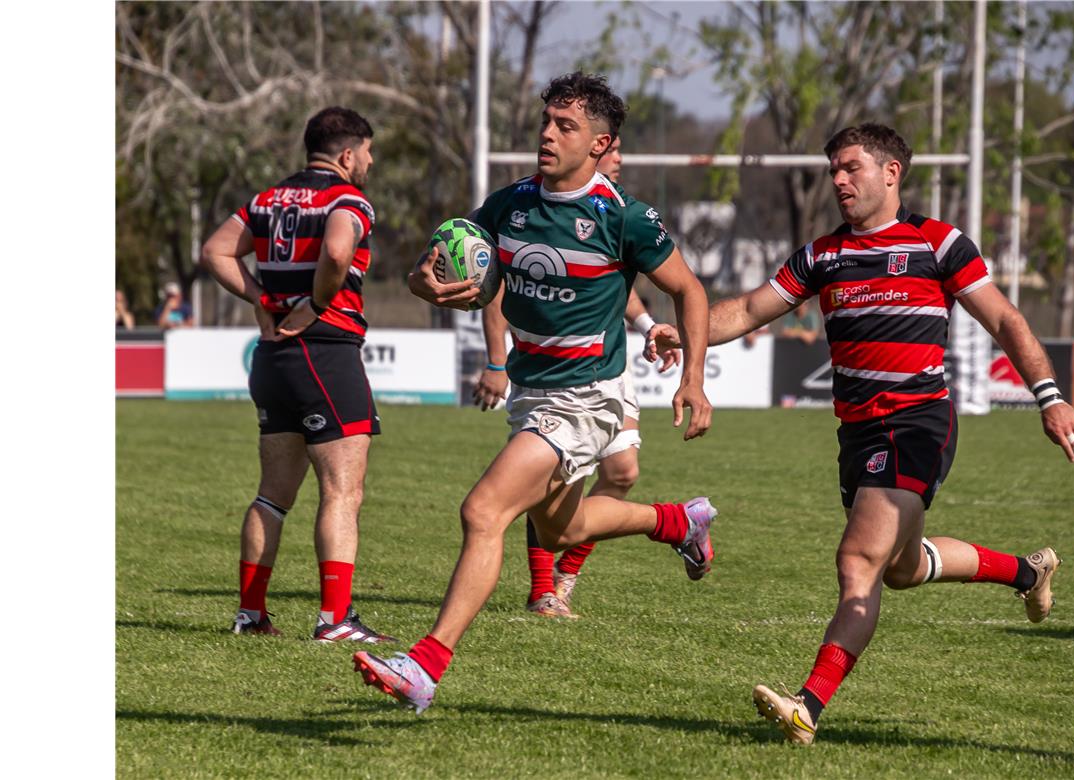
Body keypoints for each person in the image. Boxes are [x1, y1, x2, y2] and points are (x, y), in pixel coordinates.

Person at [656, 123, 1074, 745]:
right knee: (903, 568)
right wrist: (688, 333)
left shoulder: (938, 244)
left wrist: (1050, 399)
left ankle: (807, 708)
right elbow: (750, 310)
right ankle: (1026, 572)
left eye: (851, 167)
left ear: (891, 173)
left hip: (917, 423)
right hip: (857, 435)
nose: (838, 180)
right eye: (834, 168)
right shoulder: (822, 255)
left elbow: (1005, 319)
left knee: (858, 559)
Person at [351, 72, 715, 713]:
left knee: (483, 511)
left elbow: (690, 290)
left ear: (601, 144)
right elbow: (436, 263)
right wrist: (424, 284)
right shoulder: (509, 203)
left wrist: (692, 380)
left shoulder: (624, 217)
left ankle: (426, 665)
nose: (547, 134)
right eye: (546, 121)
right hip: (532, 393)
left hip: (587, 399)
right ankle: (678, 521)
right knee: (563, 526)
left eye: (565, 126)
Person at [199, 106, 394, 644]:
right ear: (347, 154)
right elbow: (337, 246)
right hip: (324, 352)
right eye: (369, 152)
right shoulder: (347, 199)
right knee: (342, 492)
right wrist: (316, 301)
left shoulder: (265, 199)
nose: (370, 163)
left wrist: (261, 298)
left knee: (273, 494)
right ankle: (335, 620)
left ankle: (251, 614)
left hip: (272, 359)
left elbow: (215, 250)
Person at [474, 133, 678, 620]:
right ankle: (547, 587)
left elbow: (616, 282)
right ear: (592, 150)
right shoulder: (529, 207)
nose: (620, 162)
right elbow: (496, 290)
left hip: (602, 368)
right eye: (614, 154)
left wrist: (649, 327)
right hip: (545, 372)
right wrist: (497, 361)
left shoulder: (617, 213)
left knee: (622, 473)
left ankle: (659, 528)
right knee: (535, 486)